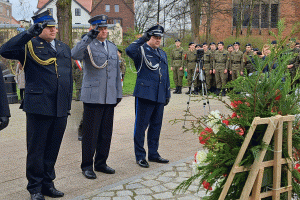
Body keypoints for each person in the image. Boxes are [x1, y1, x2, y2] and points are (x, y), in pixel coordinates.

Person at [0, 10, 72, 200]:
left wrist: (68, 103)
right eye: (48, 27)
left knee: (52, 148)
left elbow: (67, 77)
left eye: (54, 26)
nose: (53, 30)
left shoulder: (63, 47)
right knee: (36, 150)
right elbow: (4, 50)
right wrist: (28, 33)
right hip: (39, 105)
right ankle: (35, 188)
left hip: (60, 106)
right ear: (39, 28)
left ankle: (48, 184)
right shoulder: (28, 46)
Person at [71, 15, 122, 179]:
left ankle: (101, 163)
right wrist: (88, 37)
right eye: (100, 28)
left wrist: (118, 94)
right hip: (93, 96)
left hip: (109, 96)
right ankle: (87, 165)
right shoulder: (87, 45)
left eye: (106, 28)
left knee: (106, 133)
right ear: (93, 28)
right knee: (90, 133)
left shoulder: (112, 47)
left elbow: (116, 73)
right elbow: (74, 54)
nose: (104, 31)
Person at [125, 25, 170, 168]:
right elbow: (128, 50)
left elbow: (166, 75)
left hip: (159, 95)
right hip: (145, 95)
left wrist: (167, 93)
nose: (158, 40)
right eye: (155, 37)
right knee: (141, 126)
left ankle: (153, 153)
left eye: (159, 38)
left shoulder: (162, 54)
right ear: (149, 37)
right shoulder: (141, 51)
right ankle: (140, 156)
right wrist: (143, 37)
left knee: (156, 126)